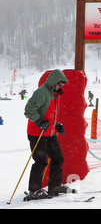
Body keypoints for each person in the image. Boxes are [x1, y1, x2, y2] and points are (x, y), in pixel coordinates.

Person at [23, 69, 70, 200]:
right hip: (37, 133)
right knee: (41, 161)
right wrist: (39, 122)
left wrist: (56, 125)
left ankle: (54, 186)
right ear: (54, 82)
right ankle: (34, 190)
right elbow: (29, 110)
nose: (61, 87)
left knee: (58, 158)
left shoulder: (55, 94)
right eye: (60, 84)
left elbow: (49, 113)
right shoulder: (41, 92)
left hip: (50, 132)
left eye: (63, 85)